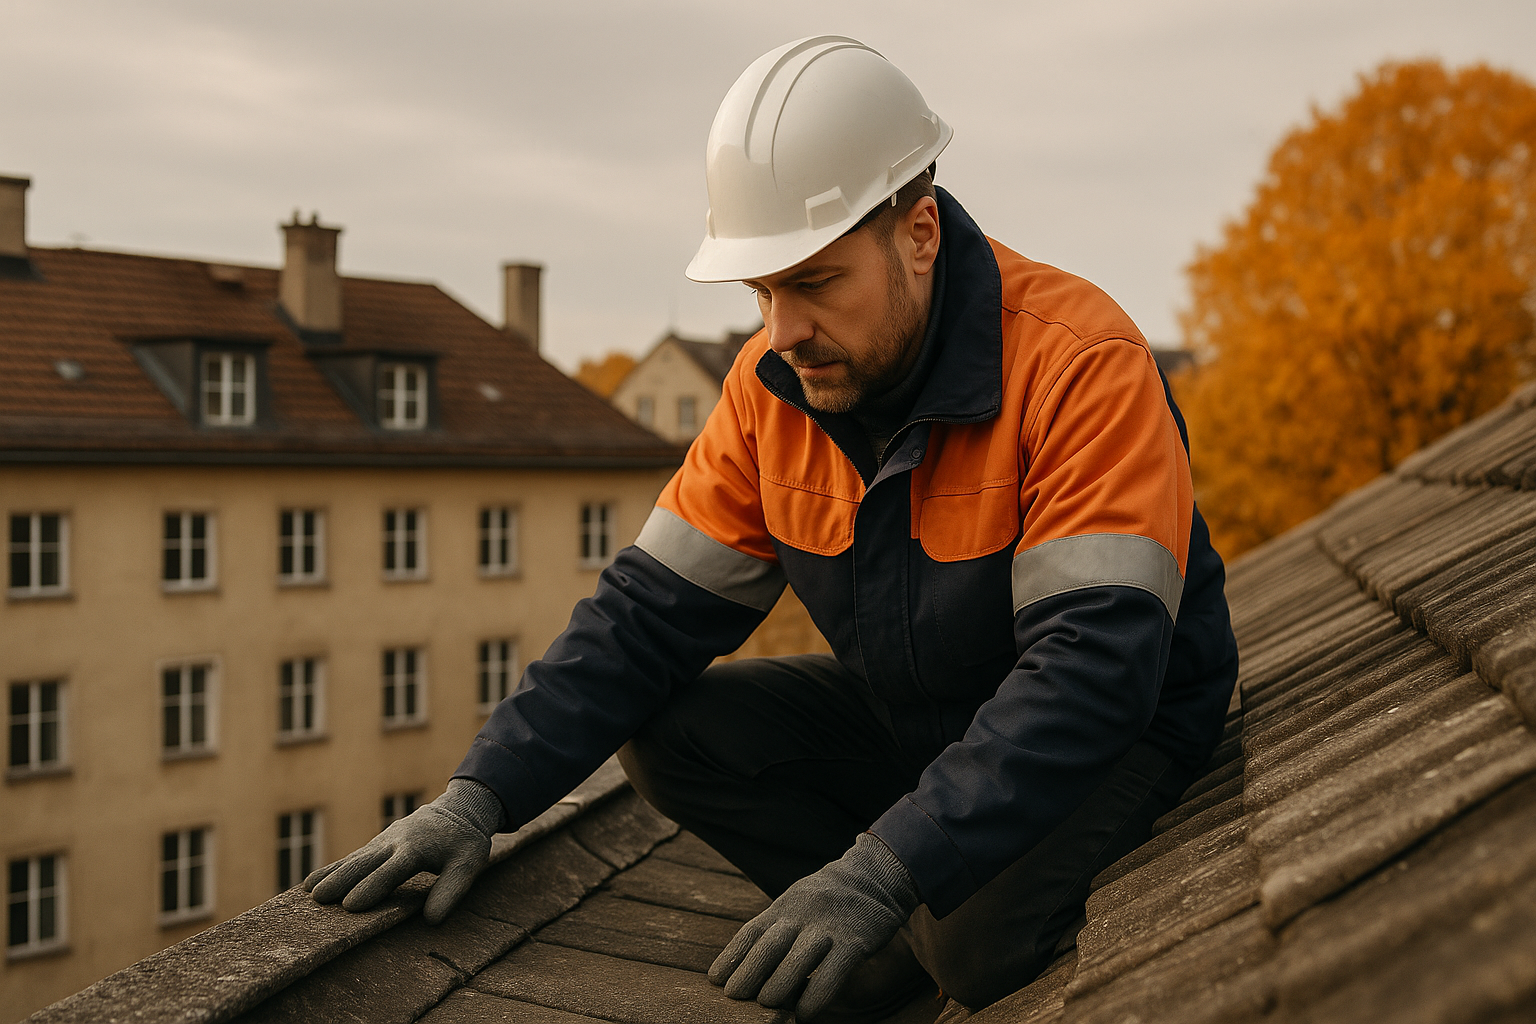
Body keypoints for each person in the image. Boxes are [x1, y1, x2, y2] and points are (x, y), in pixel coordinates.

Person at [305, 35, 1239, 1022]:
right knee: (674, 728)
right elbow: (640, 622)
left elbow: (1094, 671)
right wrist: (478, 796)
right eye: (762, 290)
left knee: (973, 941)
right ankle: (876, 944)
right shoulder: (770, 389)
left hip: (1110, 730)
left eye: (815, 281)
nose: (781, 328)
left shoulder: (1078, 363)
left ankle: (905, 919)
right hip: (926, 710)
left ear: (919, 233)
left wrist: (883, 869)